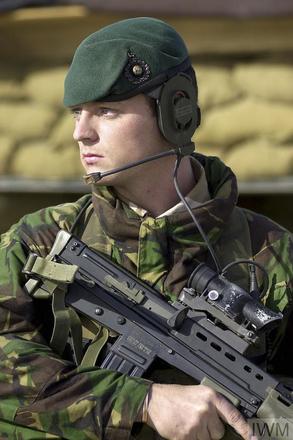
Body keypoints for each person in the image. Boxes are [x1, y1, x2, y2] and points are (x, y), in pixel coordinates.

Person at [0, 16, 292, 440]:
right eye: (77, 113)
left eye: (106, 111)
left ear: (178, 112)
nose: (81, 132)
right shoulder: (37, 241)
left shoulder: (274, 254)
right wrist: (141, 401)